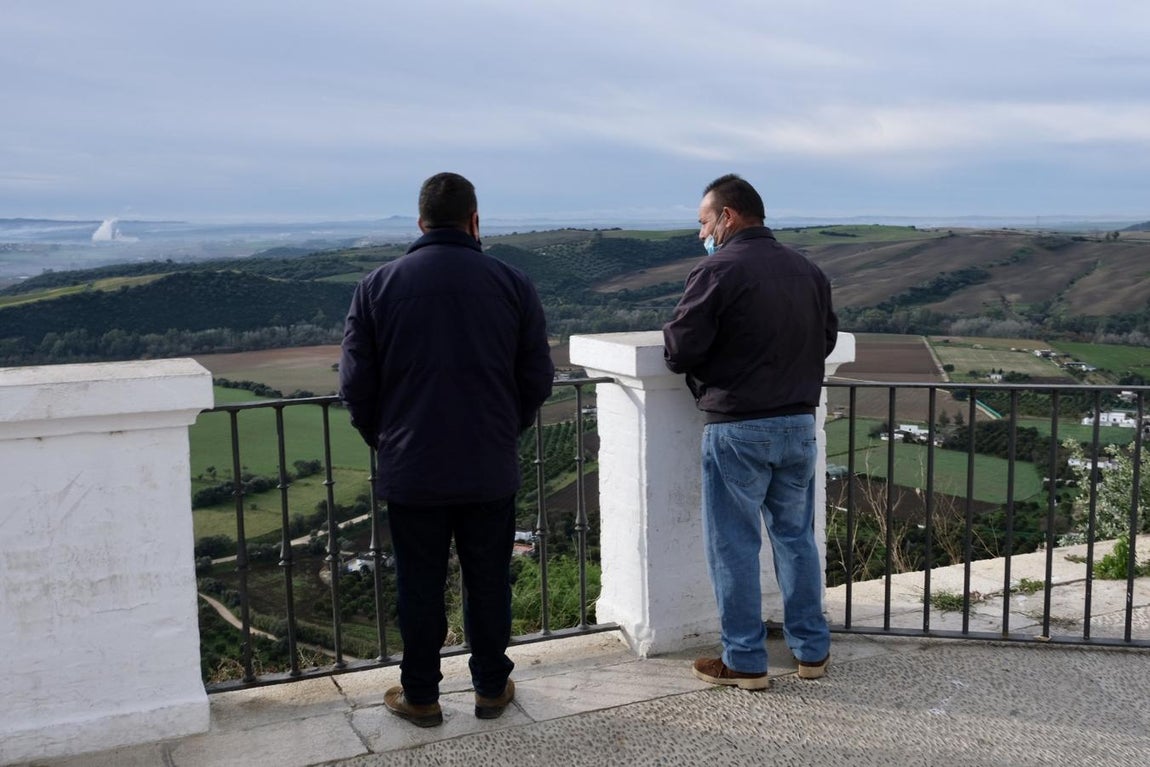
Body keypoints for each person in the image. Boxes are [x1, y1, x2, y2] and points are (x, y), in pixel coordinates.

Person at [339, 172, 554, 726]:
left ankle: (421, 696)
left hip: (413, 468)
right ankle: (491, 688)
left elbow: (356, 387)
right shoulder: (513, 284)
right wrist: (507, 428)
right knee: (488, 581)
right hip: (488, 464)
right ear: (475, 220)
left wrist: (386, 438)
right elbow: (537, 377)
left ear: (421, 222)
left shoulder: (376, 287)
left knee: (419, 585)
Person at [663, 173, 838, 691]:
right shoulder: (808, 270)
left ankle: (744, 660)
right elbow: (826, 339)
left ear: (728, 216)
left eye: (704, 223)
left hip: (739, 427)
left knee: (734, 546)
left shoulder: (716, 270)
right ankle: (812, 651)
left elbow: (679, 350)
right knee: (796, 539)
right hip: (799, 424)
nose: (702, 234)